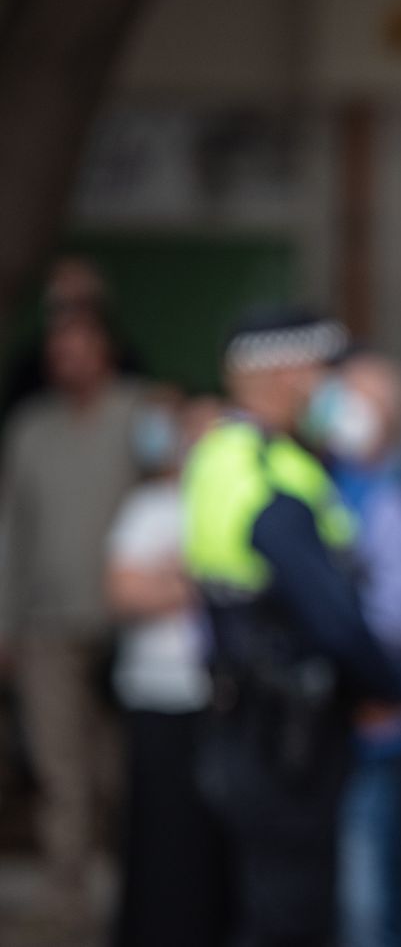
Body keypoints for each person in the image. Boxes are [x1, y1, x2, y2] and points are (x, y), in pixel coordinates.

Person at [183, 309, 401, 947]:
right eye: (322, 373)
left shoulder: (226, 454)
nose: (329, 391)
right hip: (287, 733)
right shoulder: (270, 473)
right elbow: (332, 617)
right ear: (284, 375)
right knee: (291, 913)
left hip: (250, 718)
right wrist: (391, 686)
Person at [0, 305, 146, 919]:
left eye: (80, 348)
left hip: (126, 625)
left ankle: (128, 873)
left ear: (105, 351)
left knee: (117, 764)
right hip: (45, 623)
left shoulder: (138, 414)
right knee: (58, 762)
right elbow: (13, 530)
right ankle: (69, 885)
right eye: (58, 351)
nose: (69, 361)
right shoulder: (31, 428)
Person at [316, 353, 401, 947]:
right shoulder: (310, 482)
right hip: (314, 728)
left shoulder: (394, 501)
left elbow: (397, 623)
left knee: (370, 894)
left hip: (374, 724)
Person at [107, 392, 230, 947]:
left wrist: (173, 575)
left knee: (210, 838)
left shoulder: (235, 505)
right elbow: (125, 591)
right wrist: (191, 577)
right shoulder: (149, 506)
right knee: (156, 834)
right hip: (154, 694)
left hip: (217, 696)